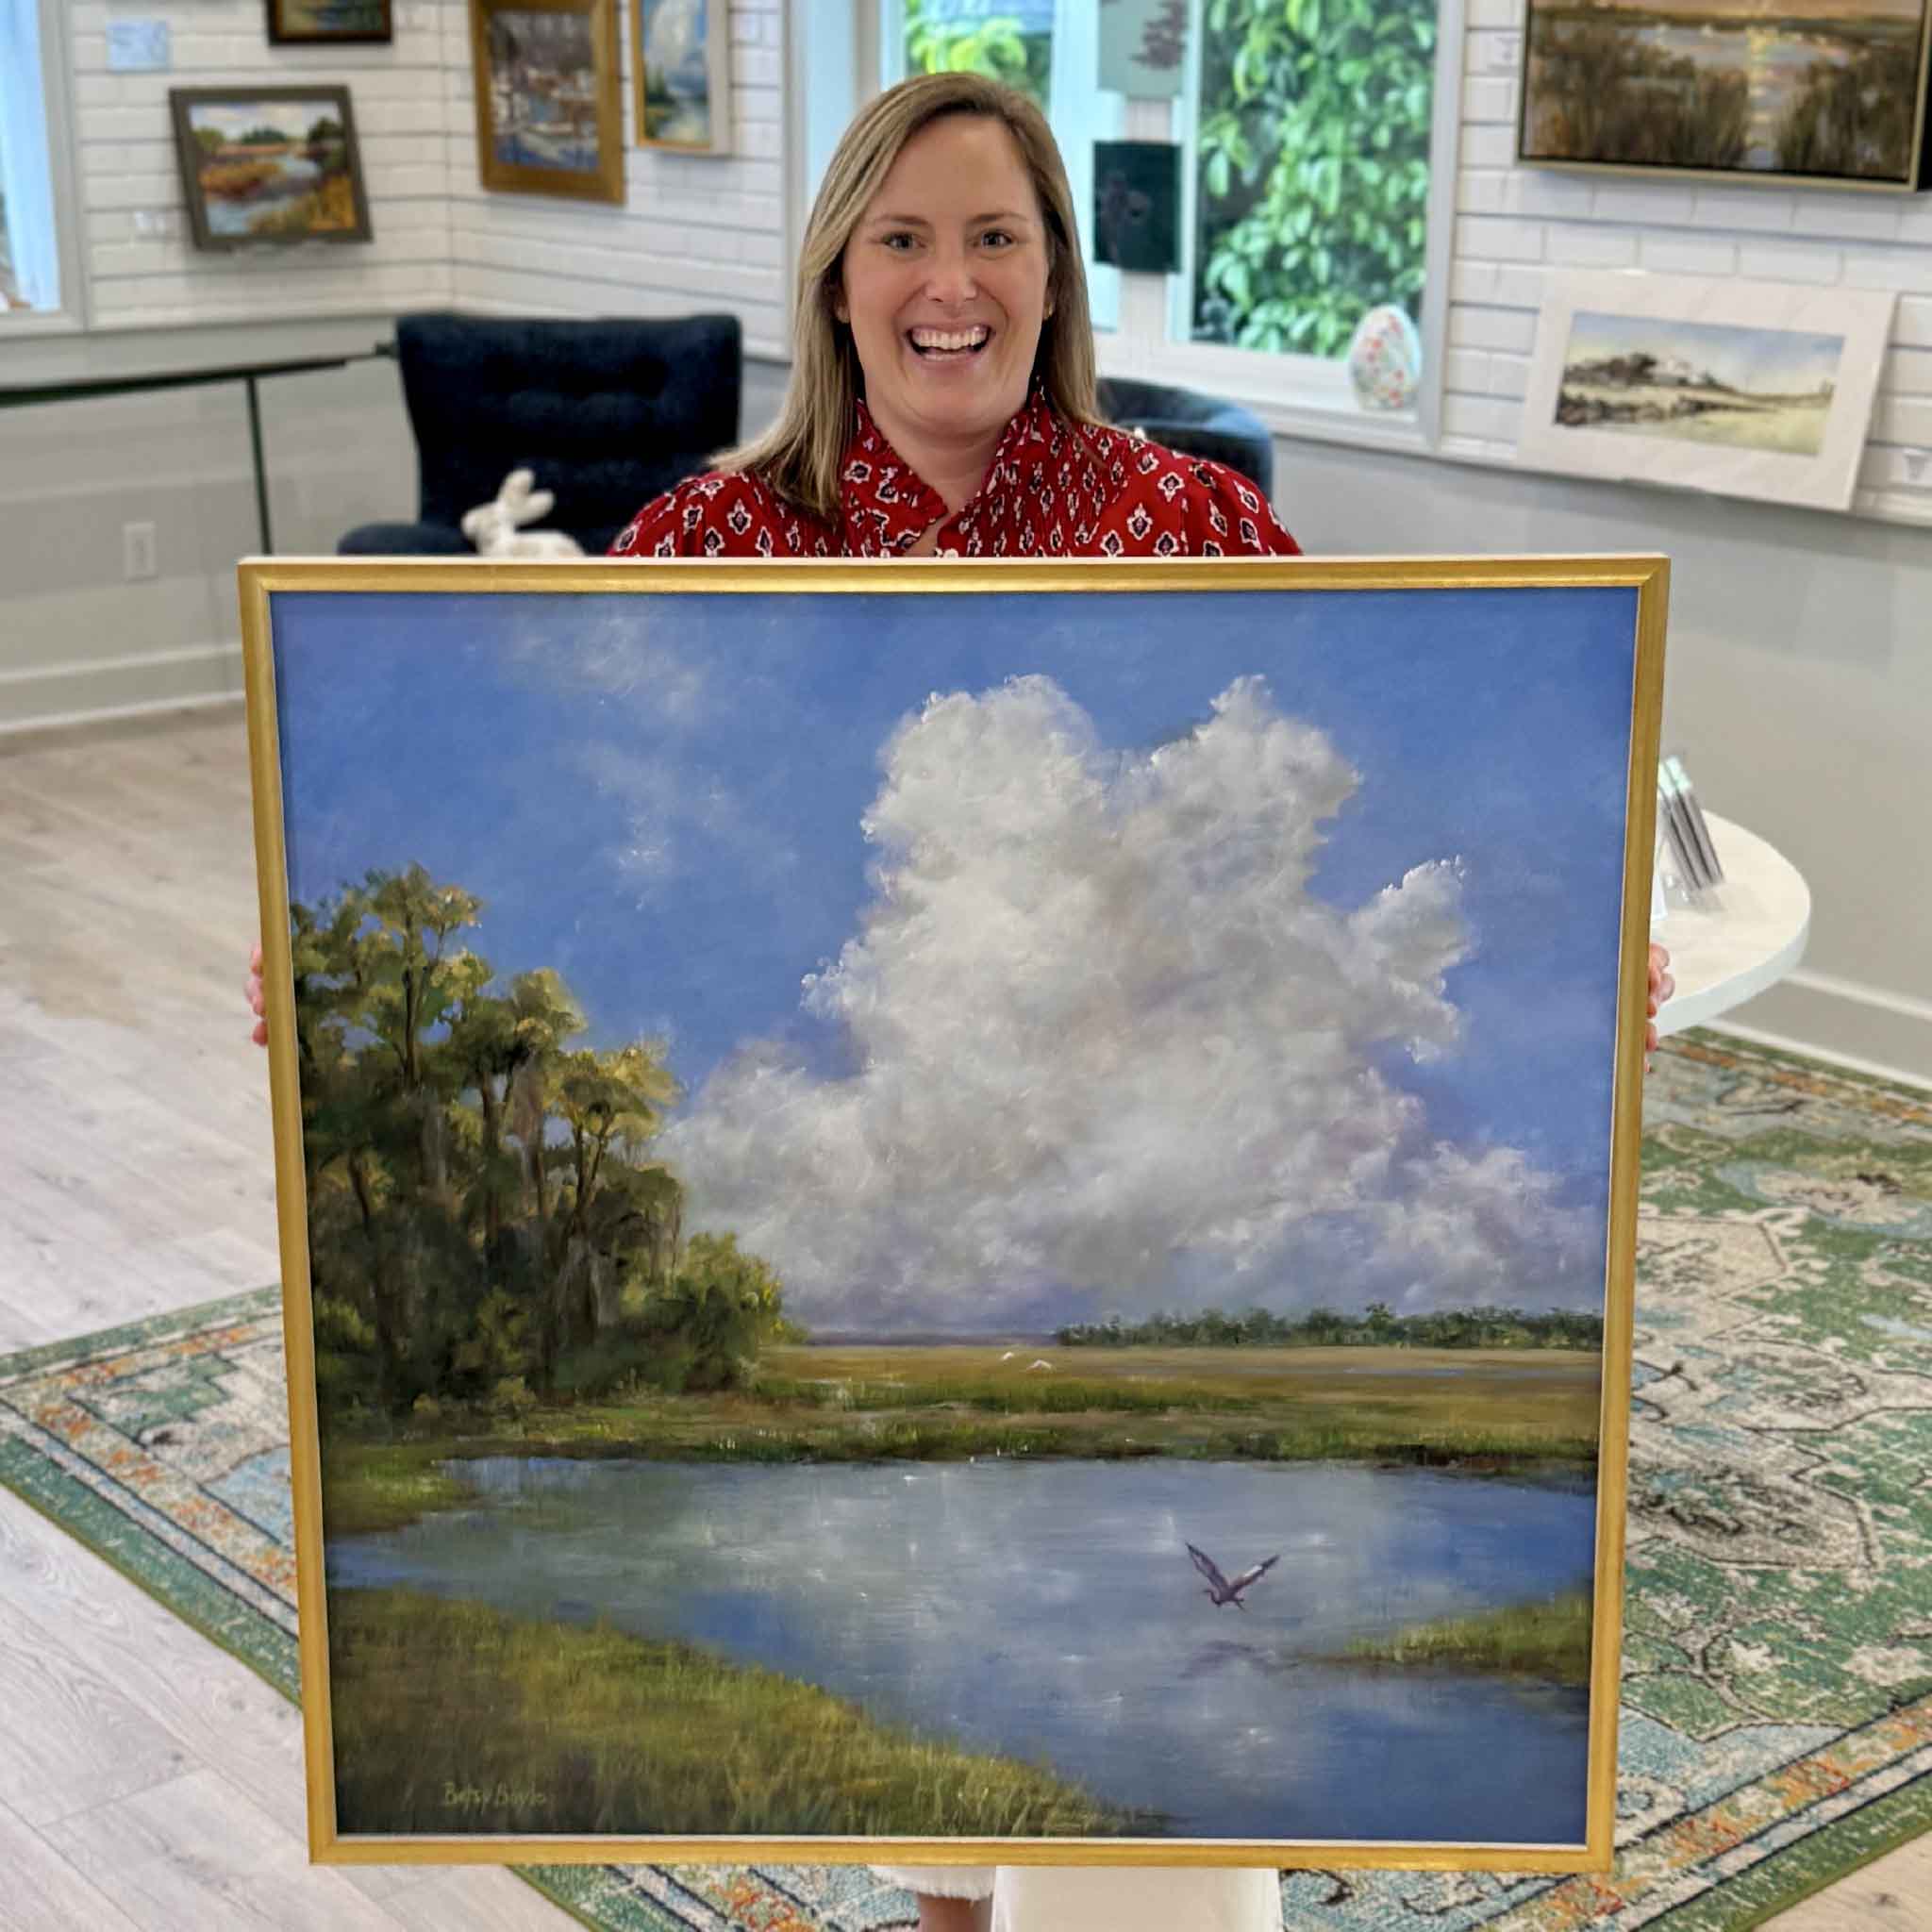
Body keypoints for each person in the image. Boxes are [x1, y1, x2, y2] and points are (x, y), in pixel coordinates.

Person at [244, 68, 1674, 1932]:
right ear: (836, 275)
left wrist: (1589, 939)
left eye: (995, 235)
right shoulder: (700, 544)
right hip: (903, 1149)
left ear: (1056, 273)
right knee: (939, 1749)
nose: (950, 282)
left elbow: (1396, 807)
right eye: (901, 236)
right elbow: (515, 858)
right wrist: (315, 975)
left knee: (1156, 1832)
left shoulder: (1190, 516)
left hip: (1152, 1153)